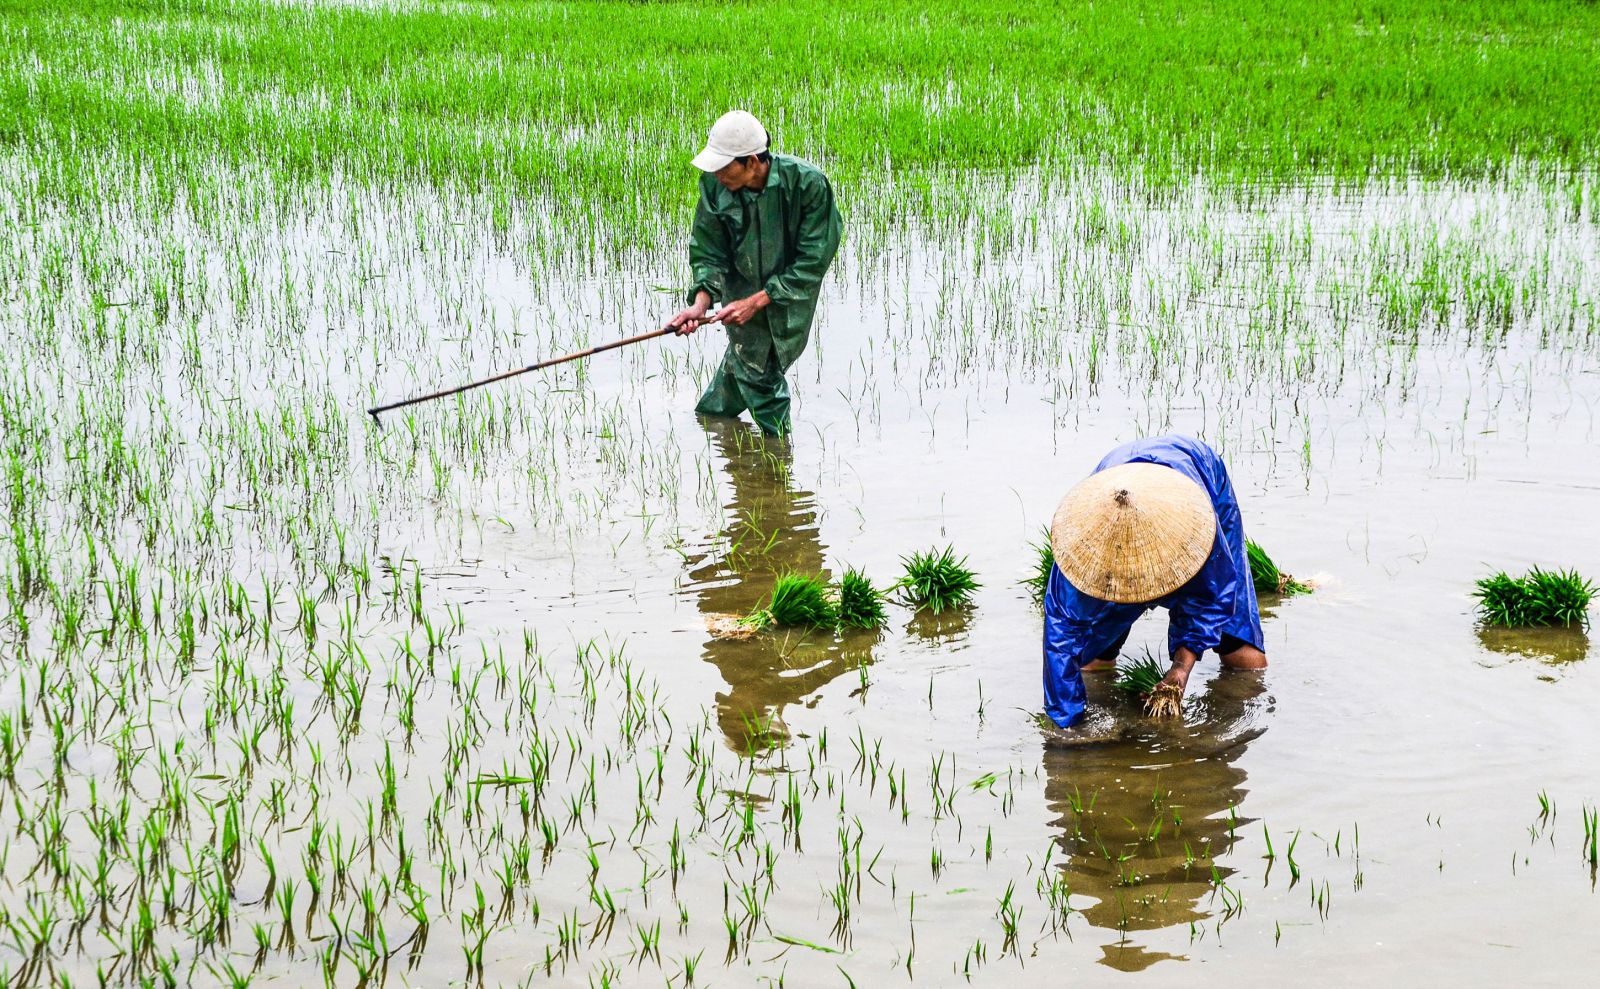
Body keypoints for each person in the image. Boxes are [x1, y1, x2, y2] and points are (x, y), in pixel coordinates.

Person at [1042, 434, 1268, 728]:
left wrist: (1180, 669)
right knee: (1090, 656)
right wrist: (1069, 728)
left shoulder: (1198, 530)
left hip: (1196, 474)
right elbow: (1061, 637)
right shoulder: (1082, 548)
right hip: (1117, 486)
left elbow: (1212, 598)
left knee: (1241, 652)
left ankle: (1248, 715)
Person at [665, 110, 843, 437]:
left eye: (723, 166)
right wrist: (699, 305)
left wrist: (759, 301)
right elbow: (709, 249)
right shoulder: (714, 186)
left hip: (789, 299)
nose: (716, 173)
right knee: (756, 372)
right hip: (739, 299)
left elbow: (813, 260)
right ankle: (765, 450)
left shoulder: (807, 184)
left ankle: (770, 465)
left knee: (755, 369)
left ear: (751, 162)